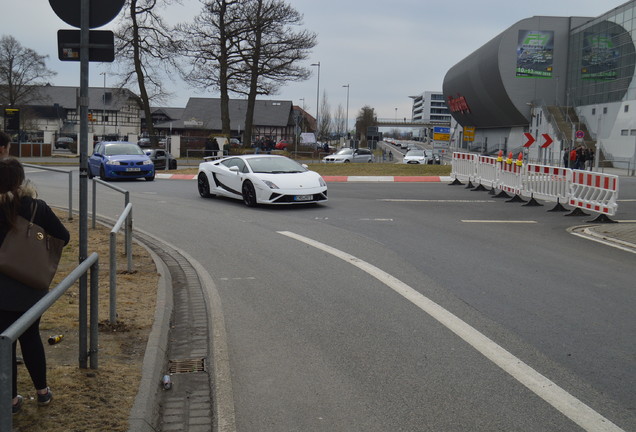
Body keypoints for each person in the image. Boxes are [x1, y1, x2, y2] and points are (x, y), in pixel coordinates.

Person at [0, 158, 70, 414]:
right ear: (20, 180)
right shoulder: (35, 207)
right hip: (30, 286)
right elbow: (64, 236)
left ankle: (11, 400)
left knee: (3, 343)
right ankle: (42, 392)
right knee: (30, 337)